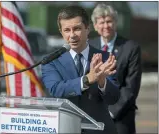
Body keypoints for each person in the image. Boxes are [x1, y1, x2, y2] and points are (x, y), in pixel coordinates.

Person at [41, 5, 120, 134]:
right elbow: (56, 89)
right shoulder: (51, 61)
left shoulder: (105, 58)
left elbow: (114, 98)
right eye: (67, 30)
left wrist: (102, 82)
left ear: (87, 28)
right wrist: (87, 79)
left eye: (77, 29)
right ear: (61, 32)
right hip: (64, 129)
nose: (72, 35)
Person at [89, 4, 142, 134]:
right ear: (95, 26)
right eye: (101, 22)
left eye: (109, 21)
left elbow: (131, 87)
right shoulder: (89, 46)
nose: (106, 26)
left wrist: (111, 112)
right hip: (92, 118)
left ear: (115, 23)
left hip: (120, 118)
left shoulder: (131, 48)